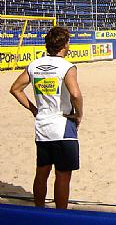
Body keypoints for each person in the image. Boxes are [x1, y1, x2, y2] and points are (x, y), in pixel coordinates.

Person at [9, 26, 83, 209]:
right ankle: (60, 216)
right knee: (63, 175)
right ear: (65, 45)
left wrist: (34, 110)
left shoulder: (34, 65)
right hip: (62, 124)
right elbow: (75, 94)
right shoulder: (67, 67)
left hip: (42, 125)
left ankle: (39, 211)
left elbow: (15, 89)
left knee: (41, 173)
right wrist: (79, 114)